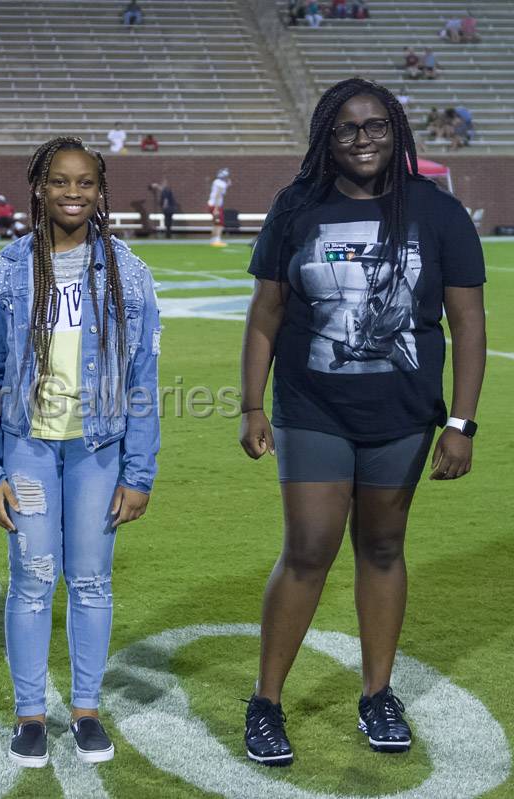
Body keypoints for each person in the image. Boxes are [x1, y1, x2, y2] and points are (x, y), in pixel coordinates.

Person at [238, 76, 486, 768]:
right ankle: (266, 702)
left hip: (403, 414)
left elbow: (467, 321)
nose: (363, 138)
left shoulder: (437, 212)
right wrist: (252, 403)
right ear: (327, 137)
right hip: (312, 405)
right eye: (347, 128)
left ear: (396, 132)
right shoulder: (296, 207)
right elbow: (266, 312)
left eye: (376, 126)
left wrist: (461, 421)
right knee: (310, 544)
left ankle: (377, 693)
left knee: (382, 546)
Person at [0, 136, 160, 769]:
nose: (73, 193)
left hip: (98, 448)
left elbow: (142, 379)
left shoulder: (128, 271)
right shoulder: (6, 270)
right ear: (39, 189)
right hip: (28, 446)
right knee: (31, 580)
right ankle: (28, 716)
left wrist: (140, 470)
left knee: (93, 580)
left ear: (100, 192)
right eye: (60, 181)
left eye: (85, 183)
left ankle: (85, 710)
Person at [207, 167, 231, 246]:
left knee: (216, 222)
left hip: (212, 204)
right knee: (219, 223)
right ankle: (217, 240)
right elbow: (218, 195)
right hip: (216, 206)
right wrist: (216, 209)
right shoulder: (221, 184)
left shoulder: (216, 182)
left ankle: (213, 239)